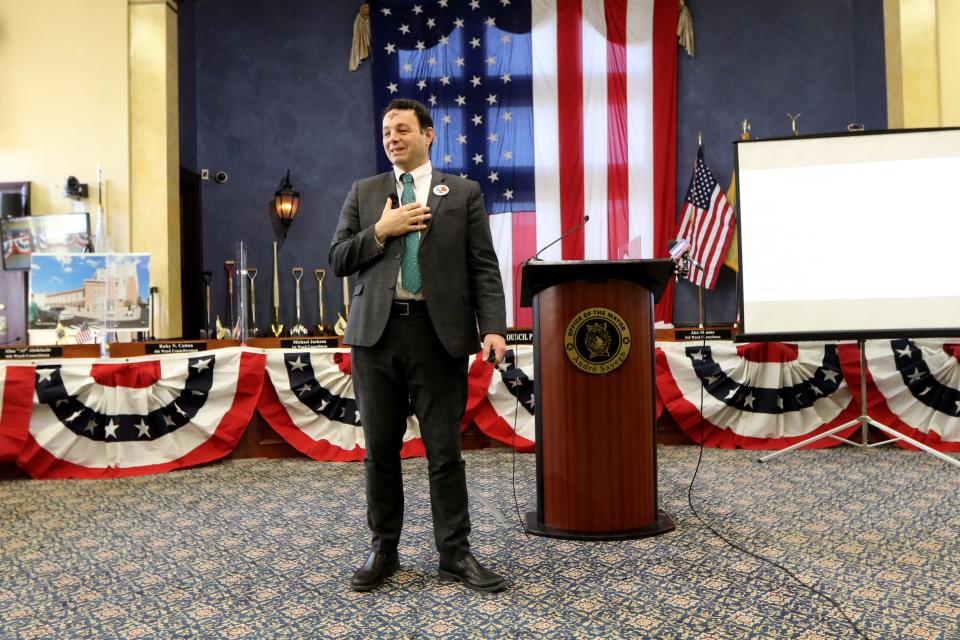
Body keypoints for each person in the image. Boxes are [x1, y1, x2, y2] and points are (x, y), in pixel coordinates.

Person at [329, 98, 509, 593]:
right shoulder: (364, 192)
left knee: (444, 452)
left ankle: (455, 553)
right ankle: (383, 549)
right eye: (387, 132)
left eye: (403, 130)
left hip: (438, 334)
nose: (393, 138)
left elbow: (483, 266)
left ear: (428, 135)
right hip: (376, 338)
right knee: (380, 452)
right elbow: (339, 257)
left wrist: (494, 325)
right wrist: (380, 232)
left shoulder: (464, 192)